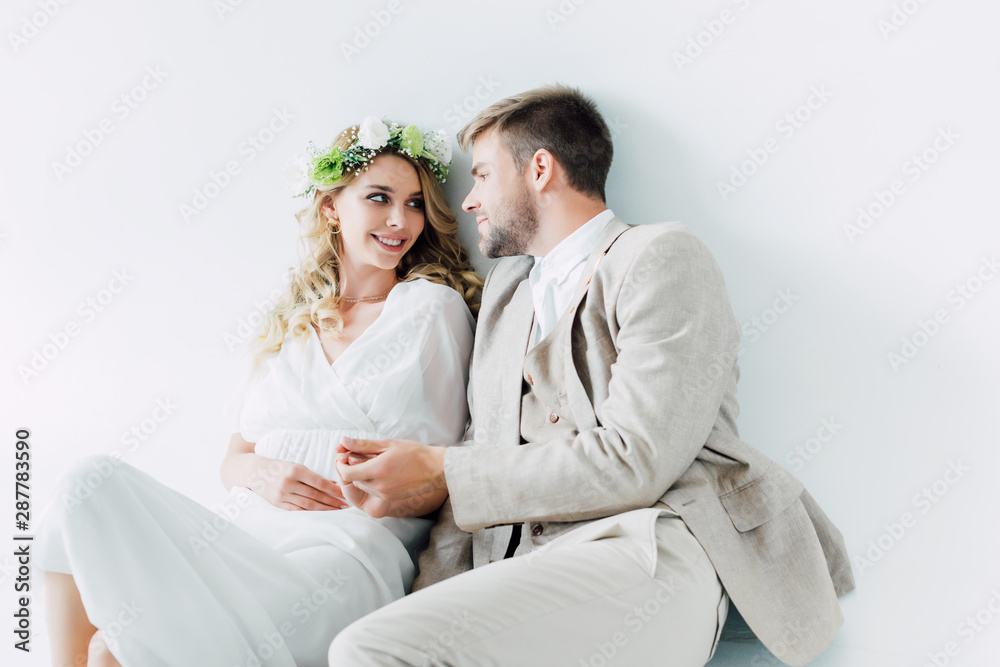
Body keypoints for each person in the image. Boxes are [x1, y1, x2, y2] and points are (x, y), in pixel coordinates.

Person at [329, 86, 856, 667]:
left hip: (651, 543)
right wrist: (426, 599)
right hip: (531, 567)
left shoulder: (661, 256)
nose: (470, 200)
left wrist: (442, 471)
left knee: (366, 649)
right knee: (378, 636)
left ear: (540, 169)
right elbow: (481, 454)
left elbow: (637, 458)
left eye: (481, 176)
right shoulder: (507, 291)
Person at [35, 116, 482, 667]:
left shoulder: (428, 309)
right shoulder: (290, 323)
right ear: (330, 208)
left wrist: (380, 486)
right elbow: (235, 456)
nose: (400, 220)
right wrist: (259, 474)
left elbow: (444, 471)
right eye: (379, 197)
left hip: (344, 552)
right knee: (84, 485)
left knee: (114, 648)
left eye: (415, 203)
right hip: (241, 534)